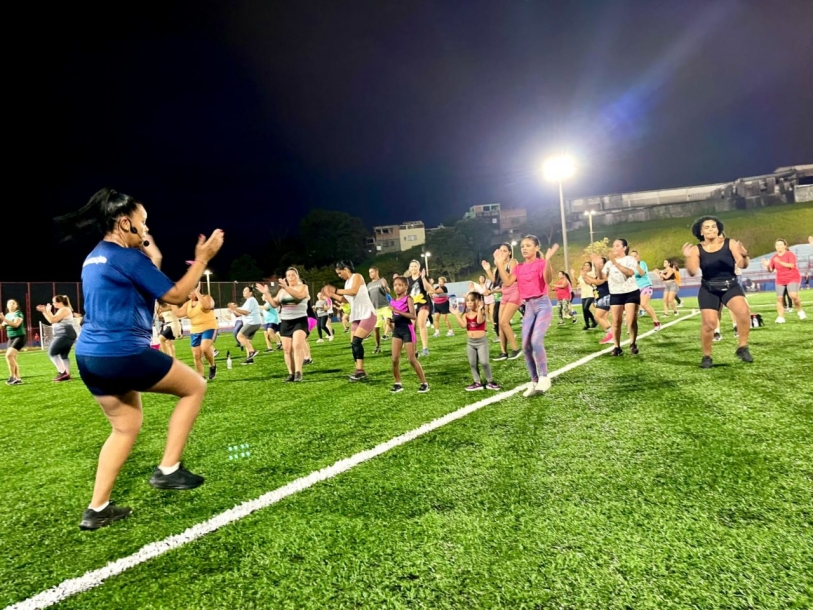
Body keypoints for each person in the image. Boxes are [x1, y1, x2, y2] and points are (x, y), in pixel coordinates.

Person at [54, 187, 223, 530]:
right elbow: (176, 296)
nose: (146, 228)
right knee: (195, 387)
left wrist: (152, 255)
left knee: (125, 427)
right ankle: (168, 469)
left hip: (89, 357)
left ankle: (97, 509)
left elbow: (142, 282)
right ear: (124, 222)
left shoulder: (94, 257)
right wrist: (202, 259)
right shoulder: (127, 258)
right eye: (142, 221)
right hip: (122, 353)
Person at [682, 216, 753, 368]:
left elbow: (742, 264)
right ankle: (707, 356)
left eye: (713, 226)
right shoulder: (697, 249)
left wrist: (744, 255)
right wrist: (688, 258)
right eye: (706, 227)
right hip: (709, 288)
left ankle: (742, 347)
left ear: (718, 228)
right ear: (701, 231)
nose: (711, 229)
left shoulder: (730, 243)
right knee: (709, 324)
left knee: (743, 311)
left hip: (730, 285)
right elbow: (692, 272)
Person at [494, 236, 556, 396]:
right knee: (526, 346)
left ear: (537, 248)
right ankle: (534, 381)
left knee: (536, 341)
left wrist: (547, 261)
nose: (524, 248)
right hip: (529, 307)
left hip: (543, 306)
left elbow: (548, 280)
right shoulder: (519, 267)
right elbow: (508, 282)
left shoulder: (541, 263)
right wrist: (499, 264)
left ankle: (544, 377)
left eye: (528, 245)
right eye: (522, 246)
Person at [324, 261, 378, 381]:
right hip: (357, 316)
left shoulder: (357, 276)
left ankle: (360, 371)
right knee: (353, 344)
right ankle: (359, 371)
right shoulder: (347, 283)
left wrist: (335, 290)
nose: (339, 276)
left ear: (345, 269)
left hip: (367, 314)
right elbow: (345, 300)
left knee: (356, 341)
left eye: (339, 273)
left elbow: (353, 291)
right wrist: (331, 294)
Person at [257, 268, 309, 382]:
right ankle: (291, 373)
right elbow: (274, 304)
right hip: (285, 321)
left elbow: (299, 296)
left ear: (297, 276)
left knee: (297, 345)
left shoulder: (303, 287)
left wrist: (286, 287)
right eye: (288, 275)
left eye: (293, 275)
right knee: (286, 349)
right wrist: (266, 293)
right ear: (286, 278)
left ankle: (298, 372)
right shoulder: (282, 291)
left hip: (299, 320)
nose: (291, 277)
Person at [592, 239, 640, 356]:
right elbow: (601, 277)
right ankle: (617, 347)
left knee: (631, 320)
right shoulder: (609, 263)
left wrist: (615, 262)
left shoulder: (630, 259)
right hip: (615, 294)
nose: (614, 248)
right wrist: (598, 266)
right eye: (613, 246)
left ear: (624, 248)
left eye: (617, 245)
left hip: (630, 292)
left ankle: (633, 343)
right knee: (616, 321)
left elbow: (629, 273)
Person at [450, 291, 500, 391]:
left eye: (472, 300)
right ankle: (477, 382)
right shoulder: (466, 314)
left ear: (478, 301)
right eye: (467, 300)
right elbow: (463, 325)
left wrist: (480, 308)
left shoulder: (482, 312)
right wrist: (456, 314)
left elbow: (479, 321)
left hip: (481, 342)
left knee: (484, 362)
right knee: (472, 363)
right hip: (470, 343)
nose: (469, 302)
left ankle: (490, 381)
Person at [387, 276, 429, 393]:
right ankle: (398, 383)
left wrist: (397, 311)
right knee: (394, 359)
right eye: (395, 285)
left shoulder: (408, 299)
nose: (397, 287)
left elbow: (413, 316)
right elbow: (395, 318)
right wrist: (391, 322)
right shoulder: (392, 301)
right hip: (397, 331)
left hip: (407, 330)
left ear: (406, 287)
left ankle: (424, 383)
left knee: (411, 359)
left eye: (400, 285)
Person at [176, 286, 218, 380]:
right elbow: (179, 314)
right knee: (196, 355)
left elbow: (207, 306)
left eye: (190, 292)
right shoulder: (188, 304)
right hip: (195, 330)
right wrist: (172, 303)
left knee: (205, 348)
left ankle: (212, 365)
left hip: (209, 327)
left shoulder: (207, 298)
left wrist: (198, 294)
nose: (188, 295)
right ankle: (201, 376)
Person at [487, 245, 521, 360]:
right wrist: (488, 269)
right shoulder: (499, 265)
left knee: (504, 322)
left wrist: (500, 265)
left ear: (510, 253)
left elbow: (509, 281)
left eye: (505, 251)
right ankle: (503, 352)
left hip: (515, 292)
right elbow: (496, 282)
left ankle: (516, 349)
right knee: (500, 323)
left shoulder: (513, 262)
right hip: (505, 294)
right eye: (500, 251)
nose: (502, 252)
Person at [762, 239, 806, 323]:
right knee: (779, 298)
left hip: (792, 277)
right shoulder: (774, 257)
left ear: (785, 246)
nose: (778, 246)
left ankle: (800, 311)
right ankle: (780, 317)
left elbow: (791, 266)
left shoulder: (790, 254)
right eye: (777, 245)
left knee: (793, 295)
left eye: (780, 244)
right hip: (780, 279)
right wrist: (767, 266)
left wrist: (780, 262)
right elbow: (771, 270)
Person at [37, 295, 78, 380]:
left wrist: (44, 311)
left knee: (52, 353)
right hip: (66, 334)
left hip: (64, 334)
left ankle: (62, 372)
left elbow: (52, 320)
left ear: (60, 302)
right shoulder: (62, 310)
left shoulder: (64, 309)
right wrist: (48, 311)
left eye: (54, 302)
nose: (53, 304)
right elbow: (53, 320)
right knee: (64, 355)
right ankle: (67, 374)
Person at [404, 260, 434, 357]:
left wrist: (423, 278)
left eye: (415, 266)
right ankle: (415, 350)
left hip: (423, 303)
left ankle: (425, 348)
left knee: (421, 323)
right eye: (412, 266)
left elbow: (428, 289)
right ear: (409, 268)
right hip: (412, 305)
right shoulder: (407, 280)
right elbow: (405, 293)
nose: (413, 268)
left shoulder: (423, 277)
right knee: (412, 327)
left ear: (418, 267)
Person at [581, 257, 614, 345]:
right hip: (601, 298)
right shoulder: (598, 275)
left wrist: (586, 276)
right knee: (604, 318)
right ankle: (611, 335)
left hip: (605, 297)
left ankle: (611, 335)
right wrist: (584, 276)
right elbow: (591, 283)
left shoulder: (605, 273)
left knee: (597, 317)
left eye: (600, 263)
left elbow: (598, 282)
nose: (598, 264)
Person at [228, 286, 263, 363]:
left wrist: (235, 309)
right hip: (254, 322)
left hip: (252, 322)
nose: (243, 292)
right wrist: (233, 310)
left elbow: (246, 312)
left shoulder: (251, 300)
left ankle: (252, 351)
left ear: (250, 293)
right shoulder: (249, 301)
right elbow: (240, 314)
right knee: (247, 341)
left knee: (239, 336)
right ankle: (250, 359)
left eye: (245, 290)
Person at [630, 250, 662, 330]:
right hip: (636, 289)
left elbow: (642, 273)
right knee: (633, 308)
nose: (633, 258)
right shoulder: (629, 267)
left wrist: (636, 264)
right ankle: (632, 326)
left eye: (635, 256)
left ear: (638, 257)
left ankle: (656, 321)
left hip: (646, 286)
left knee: (643, 304)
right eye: (632, 257)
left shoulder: (642, 264)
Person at [367, 266, 391, 354]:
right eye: (369, 272)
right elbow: (368, 297)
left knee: (389, 322)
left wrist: (385, 286)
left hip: (385, 306)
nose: (370, 274)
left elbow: (388, 291)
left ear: (377, 272)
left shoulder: (382, 280)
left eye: (372, 272)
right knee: (376, 329)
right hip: (375, 309)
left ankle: (400, 340)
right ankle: (377, 347)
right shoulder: (369, 285)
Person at [1, 299, 26, 385]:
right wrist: (2, 321)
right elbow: (2, 327)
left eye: (13, 303)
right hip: (11, 338)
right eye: (9, 303)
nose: (11, 304)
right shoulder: (7, 315)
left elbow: (16, 324)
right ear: (7, 305)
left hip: (19, 337)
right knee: (12, 358)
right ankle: (18, 378)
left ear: (16, 305)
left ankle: (12, 377)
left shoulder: (18, 313)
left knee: (8, 355)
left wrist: (4, 319)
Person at [572, 262, 597, 331]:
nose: (585, 266)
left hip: (591, 293)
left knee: (586, 308)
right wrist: (573, 275)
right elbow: (577, 283)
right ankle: (587, 324)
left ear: (590, 267)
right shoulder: (581, 275)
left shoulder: (591, 273)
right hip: (584, 295)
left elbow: (592, 279)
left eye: (587, 265)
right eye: (585, 265)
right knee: (584, 310)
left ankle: (594, 321)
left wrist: (593, 261)